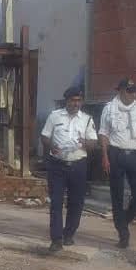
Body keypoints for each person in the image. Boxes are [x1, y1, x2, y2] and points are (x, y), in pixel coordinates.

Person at [99, 78, 136, 248]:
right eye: (131, 91)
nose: (134, 94)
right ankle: (123, 234)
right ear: (122, 91)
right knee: (116, 196)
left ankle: (123, 220)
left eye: (135, 91)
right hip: (115, 154)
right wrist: (105, 156)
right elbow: (104, 133)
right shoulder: (109, 108)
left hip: (135, 155)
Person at [40, 87, 98, 252]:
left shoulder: (87, 119)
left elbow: (94, 143)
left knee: (76, 203)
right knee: (56, 202)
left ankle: (69, 234)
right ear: (66, 101)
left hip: (78, 165)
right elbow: (44, 136)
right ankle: (56, 239)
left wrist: (84, 142)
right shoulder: (54, 116)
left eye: (79, 100)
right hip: (57, 164)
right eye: (73, 100)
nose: (76, 103)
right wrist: (52, 145)